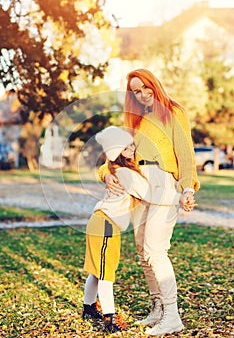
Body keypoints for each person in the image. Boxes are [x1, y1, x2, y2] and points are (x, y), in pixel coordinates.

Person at [98, 69, 200, 336]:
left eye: (145, 88)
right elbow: (115, 155)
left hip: (164, 183)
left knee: (156, 250)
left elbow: (186, 154)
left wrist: (188, 188)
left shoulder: (173, 112)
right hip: (138, 185)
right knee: (143, 253)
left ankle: (172, 315)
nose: (142, 94)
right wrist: (105, 174)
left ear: (154, 85)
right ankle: (157, 309)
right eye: (135, 91)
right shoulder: (136, 121)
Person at [82, 125, 180, 333]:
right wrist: (180, 198)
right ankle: (110, 320)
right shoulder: (126, 173)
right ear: (116, 153)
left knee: (98, 269)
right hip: (105, 225)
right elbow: (152, 195)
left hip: (101, 222)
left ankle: (88, 307)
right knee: (106, 274)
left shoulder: (117, 169)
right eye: (126, 148)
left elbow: (107, 168)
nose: (132, 149)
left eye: (132, 145)